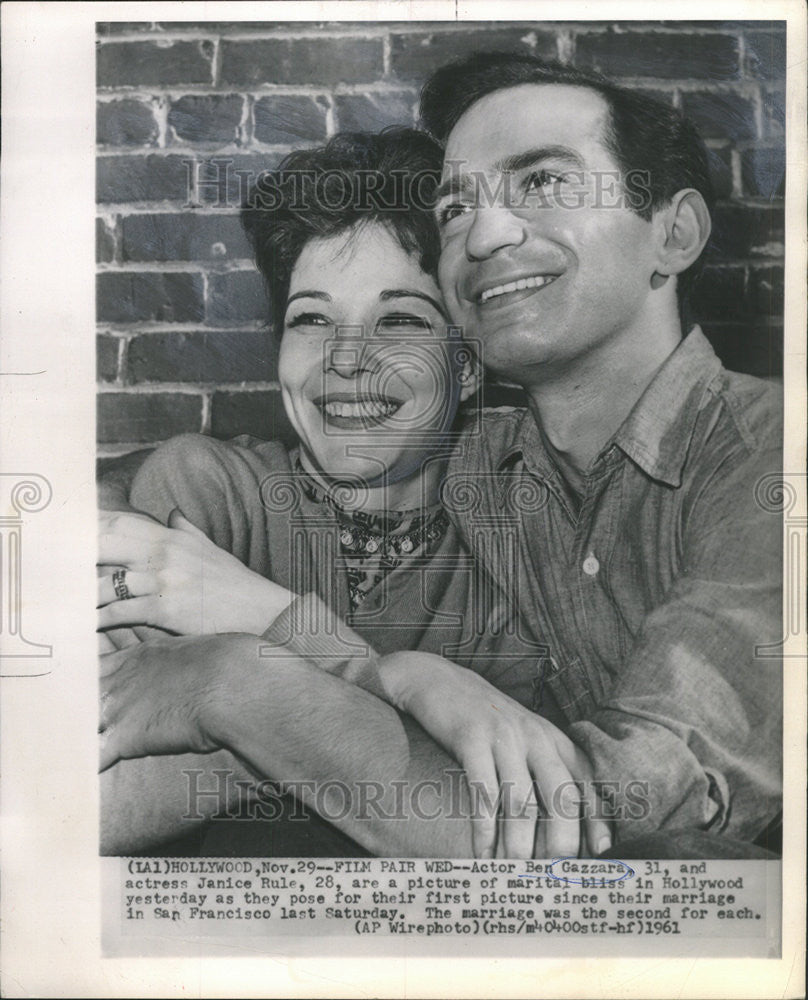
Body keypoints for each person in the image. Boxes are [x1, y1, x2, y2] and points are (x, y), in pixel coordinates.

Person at [99, 128, 608, 860]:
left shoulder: (523, 537)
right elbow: (78, 806)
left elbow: (523, 840)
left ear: (466, 368)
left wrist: (249, 707)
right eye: (312, 319)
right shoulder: (200, 497)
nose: (345, 359)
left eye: (398, 319)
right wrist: (396, 682)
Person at [417, 52, 782, 856]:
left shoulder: (775, 455)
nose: (482, 235)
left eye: (543, 182)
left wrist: (232, 694)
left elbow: (632, 800)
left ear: (673, 233)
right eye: (453, 208)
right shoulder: (472, 467)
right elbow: (247, 490)